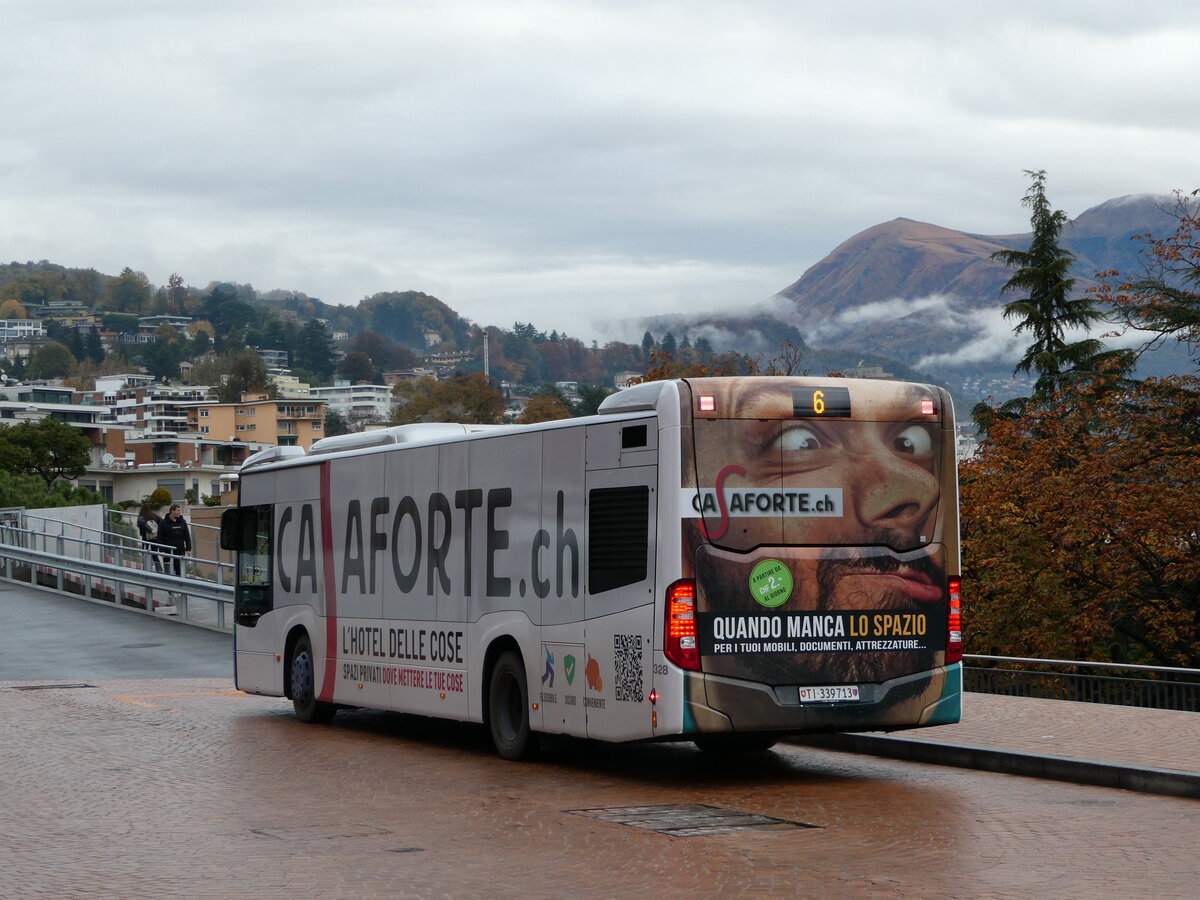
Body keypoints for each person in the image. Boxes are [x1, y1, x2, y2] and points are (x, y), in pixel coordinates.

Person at [157, 504, 192, 579]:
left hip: (180, 549)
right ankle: (169, 585)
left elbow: (187, 536)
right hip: (167, 550)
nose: (180, 512)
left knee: (179, 568)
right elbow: (159, 537)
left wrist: (188, 548)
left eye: (180, 510)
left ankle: (179, 584)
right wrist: (161, 550)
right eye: (178, 510)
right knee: (168, 569)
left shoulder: (182, 521)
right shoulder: (163, 523)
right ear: (172, 511)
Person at [136, 504, 164, 573]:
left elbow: (142, 523)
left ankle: (145, 568)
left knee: (144, 553)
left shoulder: (141, 516)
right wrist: (158, 531)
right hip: (155, 537)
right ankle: (159, 569)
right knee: (154, 553)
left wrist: (150, 530)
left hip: (146, 537)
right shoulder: (154, 515)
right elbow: (162, 521)